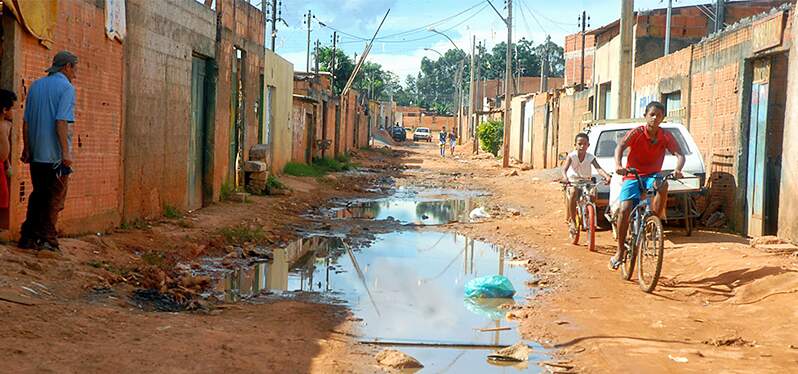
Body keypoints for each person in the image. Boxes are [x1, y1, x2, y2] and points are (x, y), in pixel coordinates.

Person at [609, 101, 684, 270]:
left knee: (663, 185)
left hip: (652, 175)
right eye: (652, 114)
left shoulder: (665, 136)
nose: (655, 118)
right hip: (633, 174)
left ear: (663, 118)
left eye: (659, 115)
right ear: (645, 116)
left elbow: (680, 155)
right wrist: (618, 165)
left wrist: (678, 169)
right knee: (624, 209)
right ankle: (620, 251)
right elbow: (620, 146)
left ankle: (654, 219)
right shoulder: (637, 133)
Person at [19, 51, 78, 251]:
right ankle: (47, 238)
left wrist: (27, 148)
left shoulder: (36, 86)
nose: (75, 74)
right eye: (74, 69)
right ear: (67, 67)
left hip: (36, 152)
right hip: (54, 155)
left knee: (39, 194)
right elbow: (61, 121)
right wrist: (65, 153)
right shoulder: (66, 88)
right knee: (52, 198)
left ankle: (28, 236)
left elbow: (26, 122)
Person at [560, 132, 611, 236]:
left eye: (585, 144)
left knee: (592, 194)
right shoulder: (571, 156)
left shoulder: (590, 157)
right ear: (575, 145)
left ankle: (590, 216)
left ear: (588, 145)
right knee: (574, 193)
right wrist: (565, 177)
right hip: (574, 180)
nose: (582, 146)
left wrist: (606, 176)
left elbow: (598, 168)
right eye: (579, 144)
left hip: (586, 180)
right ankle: (573, 221)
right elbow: (564, 169)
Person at [0, 90, 16, 211]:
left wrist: (8, 164)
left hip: (2, 164)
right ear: (5, 110)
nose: (14, 112)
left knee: (3, 193)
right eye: (12, 108)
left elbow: (6, 145)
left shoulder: (7, 125)